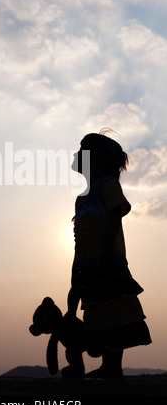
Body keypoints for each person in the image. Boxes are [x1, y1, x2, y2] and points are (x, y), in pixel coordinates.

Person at [67, 129, 152, 378]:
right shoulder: (82, 198)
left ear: (96, 159)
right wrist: (76, 265)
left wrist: (104, 252)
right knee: (97, 309)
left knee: (113, 310)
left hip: (109, 261)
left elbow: (115, 215)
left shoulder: (108, 185)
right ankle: (105, 362)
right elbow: (80, 235)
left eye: (83, 150)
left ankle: (112, 366)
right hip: (87, 263)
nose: (77, 154)